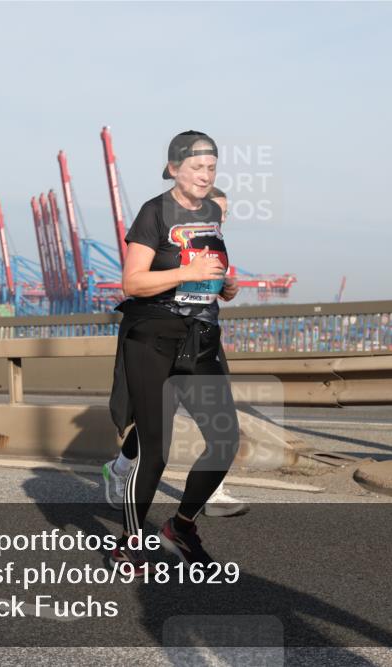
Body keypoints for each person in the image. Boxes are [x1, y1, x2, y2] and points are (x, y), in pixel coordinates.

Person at [106, 131, 241, 572]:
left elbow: (207, 278)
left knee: (223, 442)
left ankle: (181, 526)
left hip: (200, 339)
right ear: (173, 168)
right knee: (155, 451)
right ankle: (128, 541)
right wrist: (189, 272)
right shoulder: (154, 212)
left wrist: (225, 287)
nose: (206, 176)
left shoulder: (210, 212)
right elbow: (133, 282)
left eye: (212, 168)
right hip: (153, 340)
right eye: (197, 167)